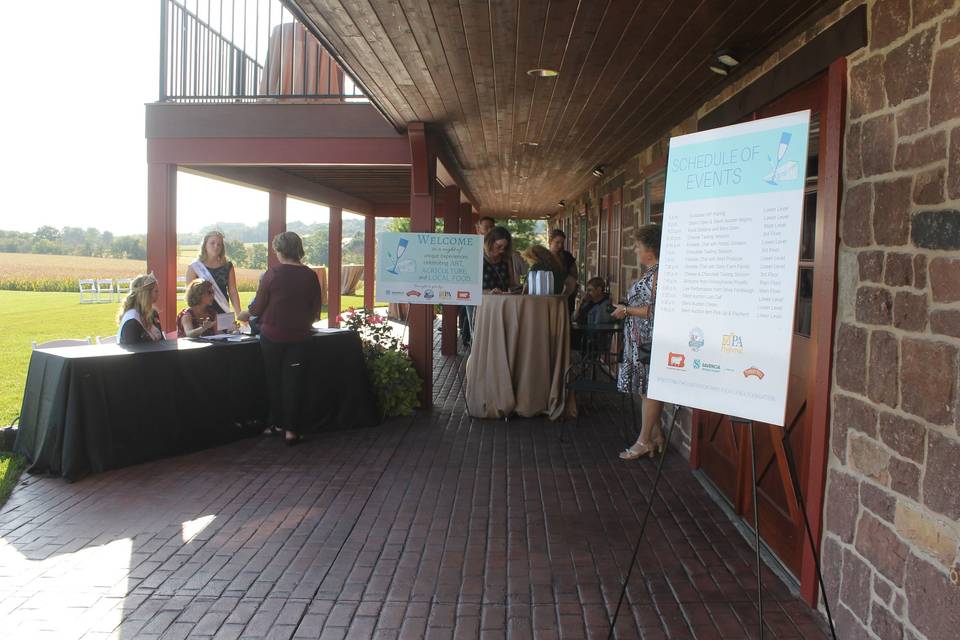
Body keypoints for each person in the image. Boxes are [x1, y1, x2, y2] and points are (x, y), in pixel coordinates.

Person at [238, 232, 322, 445]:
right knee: (294, 382)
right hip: (300, 336)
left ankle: (275, 424)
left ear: (280, 251)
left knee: (273, 381)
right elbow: (315, 309)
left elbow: (257, 306)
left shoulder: (272, 274)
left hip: (272, 335)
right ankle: (292, 430)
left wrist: (244, 314)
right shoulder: (310, 276)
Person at [612, 224, 664, 460]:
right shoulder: (651, 272)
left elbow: (655, 311)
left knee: (649, 390)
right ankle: (656, 437)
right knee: (645, 390)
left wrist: (626, 309)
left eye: (638, 247)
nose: (636, 250)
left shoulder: (659, 275)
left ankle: (643, 441)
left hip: (649, 341)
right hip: (640, 339)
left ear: (650, 250)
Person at [186, 230, 243, 316]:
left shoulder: (228, 266)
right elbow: (190, 295)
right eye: (212, 243)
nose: (216, 246)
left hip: (223, 311)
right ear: (205, 245)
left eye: (219, 244)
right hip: (202, 314)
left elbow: (232, 291)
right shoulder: (194, 267)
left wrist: (239, 313)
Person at [117, 273, 164, 345]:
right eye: (156, 291)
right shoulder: (131, 321)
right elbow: (133, 351)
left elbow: (162, 341)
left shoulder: (153, 313)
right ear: (146, 294)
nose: (159, 294)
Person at [549, 229, 578, 315]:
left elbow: (574, 274)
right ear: (550, 241)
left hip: (568, 293)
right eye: (557, 242)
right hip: (551, 294)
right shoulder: (545, 256)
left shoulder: (567, 256)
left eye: (562, 243)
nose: (560, 245)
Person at [482, 226, 518, 294]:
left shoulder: (506, 259)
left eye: (505, 248)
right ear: (490, 242)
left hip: (501, 302)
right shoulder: (478, 257)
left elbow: (512, 284)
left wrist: (518, 289)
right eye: (499, 246)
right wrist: (489, 292)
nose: (502, 251)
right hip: (482, 302)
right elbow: (469, 288)